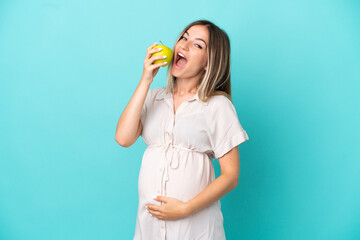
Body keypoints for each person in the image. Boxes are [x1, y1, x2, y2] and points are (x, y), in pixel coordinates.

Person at [115, 19, 249, 240]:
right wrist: (145, 80)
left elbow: (231, 176)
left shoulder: (217, 106)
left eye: (197, 45)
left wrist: (185, 209)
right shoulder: (154, 98)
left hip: (195, 227)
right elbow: (123, 138)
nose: (184, 45)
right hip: (150, 227)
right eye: (184, 38)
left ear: (208, 62)